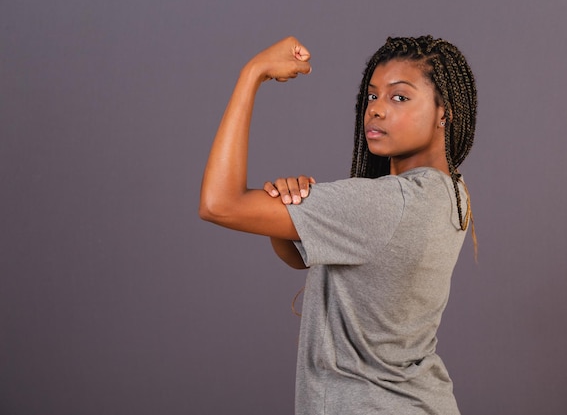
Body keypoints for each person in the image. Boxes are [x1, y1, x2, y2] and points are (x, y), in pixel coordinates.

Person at [199, 35, 477, 415]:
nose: (376, 110)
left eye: (399, 97)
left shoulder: (390, 203)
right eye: (372, 97)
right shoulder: (450, 191)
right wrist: (286, 214)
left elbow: (219, 204)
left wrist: (252, 73)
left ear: (444, 111)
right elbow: (302, 259)